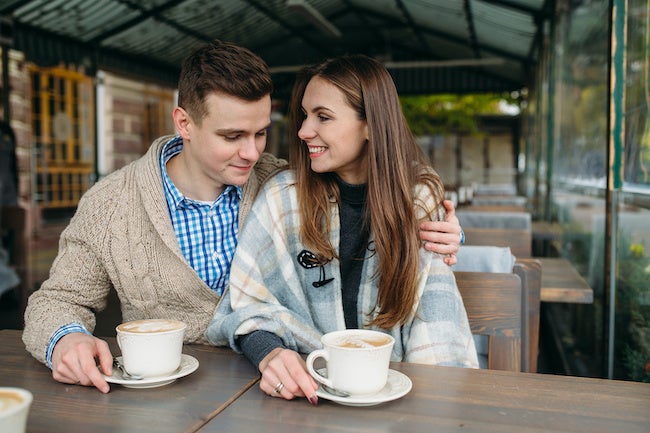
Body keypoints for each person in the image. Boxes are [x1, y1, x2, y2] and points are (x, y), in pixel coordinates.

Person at [22, 41, 463, 394]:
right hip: (169, 396)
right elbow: (56, 300)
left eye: (260, 132)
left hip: (280, 389)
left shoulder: (285, 186)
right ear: (184, 122)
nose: (252, 152)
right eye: (232, 136)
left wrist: (439, 228)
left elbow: (369, 200)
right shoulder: (110, 205)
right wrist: (65, 338)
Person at [206, 55, 478, 405]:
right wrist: (268, 352)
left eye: (323, 117)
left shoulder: (419, 202)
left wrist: (430, 408)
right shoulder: (283, 197)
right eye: (305, 115)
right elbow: (245, 305)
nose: (303, 130)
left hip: (397, 400)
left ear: (371, 125)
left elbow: (438, 328)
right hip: (304, 396)